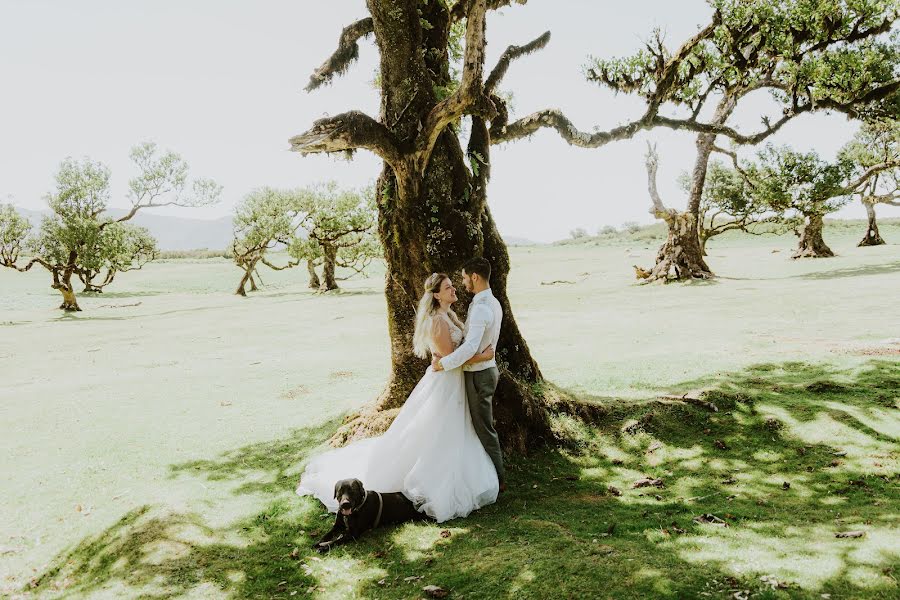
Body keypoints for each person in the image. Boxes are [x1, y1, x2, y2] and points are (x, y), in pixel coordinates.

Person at [296, 271, 499, 522]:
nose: (454, 289)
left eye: (452, 286)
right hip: (446, 381)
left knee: (453, 429)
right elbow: (448, 360)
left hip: (453, 380)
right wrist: (482, 356)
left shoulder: (449, 314)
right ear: (436, 295)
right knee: (440, 430)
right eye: (448, 288)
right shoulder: (437, 320)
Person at [432, 257, 506, 491]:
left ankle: (498, 479)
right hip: (480, 370)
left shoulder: (483, 307)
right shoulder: (490, 302)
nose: (462, 283)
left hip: (479, 375)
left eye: (464, 278)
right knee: (479, 426)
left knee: (484, 428)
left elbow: (471, 347)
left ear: (474, 277)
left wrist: (444, 363)